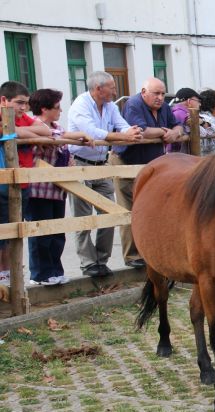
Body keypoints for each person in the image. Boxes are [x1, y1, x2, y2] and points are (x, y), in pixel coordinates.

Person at [67, 71, 143, 278]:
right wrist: (123, 136)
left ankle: (101, 259)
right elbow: (92, 132)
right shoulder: (80, 105)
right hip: (81, 165)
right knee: (83, 218)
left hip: (102, 164)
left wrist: (131, 132)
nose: (115, 90)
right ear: (98, 88)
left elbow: (122, 125)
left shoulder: (110, 106)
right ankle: (88, 262)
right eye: (111, 87)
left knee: (109, 215)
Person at [112, 77, 183, 268]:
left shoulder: (164, 107)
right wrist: (162, 131)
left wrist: (174, 132)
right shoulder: (133, 104)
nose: (160, 98)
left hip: (151, 165)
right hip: (127, 162)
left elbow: (177, 125)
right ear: (144, 92)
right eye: (156, 93)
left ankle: (155, 252)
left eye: (162, 93)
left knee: (154, 209)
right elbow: (140, 130)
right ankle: (132, 256)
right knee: (129, 209)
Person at [27, 89, 94, 285]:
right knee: (41, 233)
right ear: (44, 109)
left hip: (57, 189)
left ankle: (55, 270)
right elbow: (55, 137)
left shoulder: (56, 127)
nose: (60, 111)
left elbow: (61, 136)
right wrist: (78, 135)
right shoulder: (35, 126)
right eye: (56, 107)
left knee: (57, 232)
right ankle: (40, 274)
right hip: (39, 189)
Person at [0, 81, 52, 285]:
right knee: (4, 236)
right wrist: (22, 133)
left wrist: (22, 133)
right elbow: (10, 131)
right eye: (19, 103)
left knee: (15, 232)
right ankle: (5, 278)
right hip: (3, 184)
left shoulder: (23, 119)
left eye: (26, 104)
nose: (23, 108)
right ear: (4, 100)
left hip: (20, 184)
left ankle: (11, 277)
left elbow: (46, 131)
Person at [169, 87, 200, 153]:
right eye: (198, 101)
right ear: (189, 101)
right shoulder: (180, 114)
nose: (199, 104)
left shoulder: (175, 112)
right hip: (178, 155)